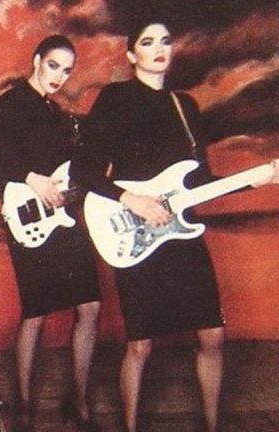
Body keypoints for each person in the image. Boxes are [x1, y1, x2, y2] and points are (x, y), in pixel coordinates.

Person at [70, 19, 279, 432]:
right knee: (140, 346)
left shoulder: (185, 107)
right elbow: (83, 169)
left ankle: (212, 427)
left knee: (212, 336)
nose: (159, 49)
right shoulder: (116, 98)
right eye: (148, 42)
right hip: (135, 230)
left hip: (181, 234)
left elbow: (200, 182)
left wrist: (255, 179)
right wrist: (132, 200)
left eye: (165, 41)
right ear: (131, 55)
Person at [0, 35, 101, 432]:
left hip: (63, 219)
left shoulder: (59, 114)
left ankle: (78, 403)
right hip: (28, 220)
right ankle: (24, 407)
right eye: (53, 65)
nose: (59, 76)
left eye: (67, 70)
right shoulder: (13, 103)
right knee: (35, 314)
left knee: (90, 307)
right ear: (36, 61)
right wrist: (32, 179)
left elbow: (71, 172)